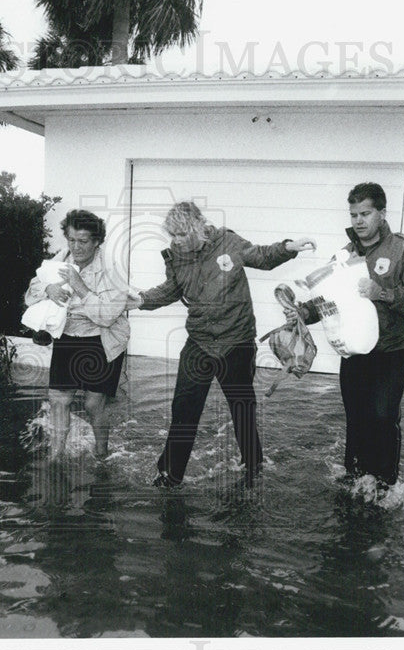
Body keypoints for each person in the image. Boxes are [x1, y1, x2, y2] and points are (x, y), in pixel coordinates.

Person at [132, 201, 315, 488]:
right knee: (183, 410)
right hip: (200, 341)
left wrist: (288, 247)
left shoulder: (228, 241)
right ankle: (170, 474)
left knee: (242, 408)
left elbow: (262, 256)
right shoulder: (175, 255)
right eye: (173, 236)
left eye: (182, 235)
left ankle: (253, 467)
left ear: (198, 228)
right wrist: (142, 300)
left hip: (236, 340)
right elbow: (172, 288)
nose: (176, 241)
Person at [287, 182, 404, 492]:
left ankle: (385, 485)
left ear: (381, 213)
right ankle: (355, 479)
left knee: (382, 417)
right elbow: (329, 301)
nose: (358, 220)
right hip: (354, 350)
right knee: (356, 418)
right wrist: (304, 313)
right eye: (354, 214)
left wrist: (381, 292)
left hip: (392, 349)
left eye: (365, 213)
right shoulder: (343, 254)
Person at [25, 209, 130, 460]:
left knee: (94, 404)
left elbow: (106, 315)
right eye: (71, 240)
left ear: (96, 242)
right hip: (69, 335)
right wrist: (48, 288)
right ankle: (56, 455)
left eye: (83, 241)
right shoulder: (60, 258)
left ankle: (102, 454)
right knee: (58, 399)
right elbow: (30, 293)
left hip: (103, 338)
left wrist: (78, 285)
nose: (76, 247)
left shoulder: (111, 269)